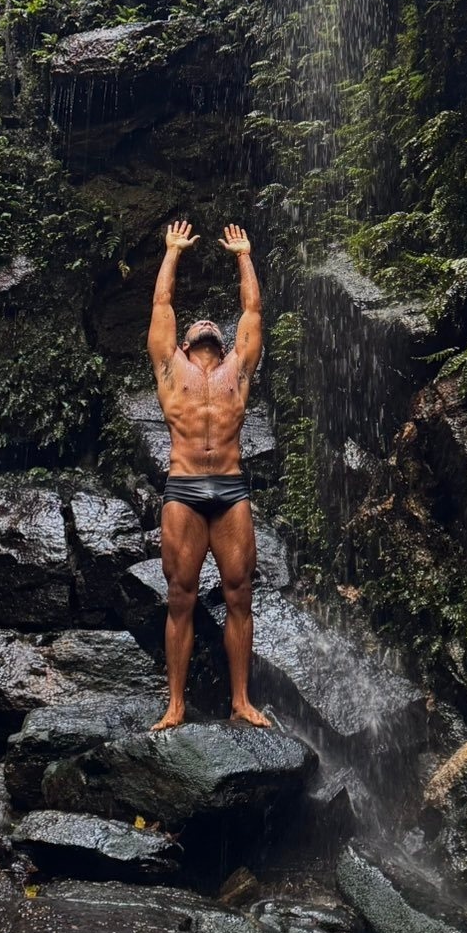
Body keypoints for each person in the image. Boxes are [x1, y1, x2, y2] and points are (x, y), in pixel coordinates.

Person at [146, 218, 272, 730]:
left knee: (240, 593)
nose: (203, 324)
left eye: (211, 325)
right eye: (195, 324)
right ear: (182, 343)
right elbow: (161, 305)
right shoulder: (169, 368)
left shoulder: (237, 370)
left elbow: (252, 312)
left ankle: (240, 700)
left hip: (230, 487)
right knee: (181, 596)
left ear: (222, 342)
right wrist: (172, 252)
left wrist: (244, 256)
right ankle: (175, 705)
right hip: (183, 488)